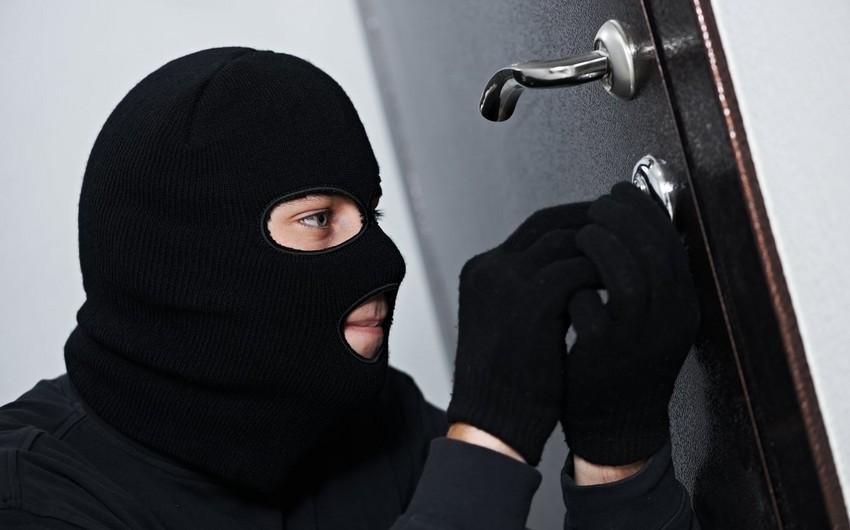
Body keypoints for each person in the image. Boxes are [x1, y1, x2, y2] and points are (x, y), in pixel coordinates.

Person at [0, 47, 700, 529]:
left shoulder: (377, 422)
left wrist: (617, 458)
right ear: (193, 260)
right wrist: (488, 438)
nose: (380, 260)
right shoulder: (31, 499)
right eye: (318, 219)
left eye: (372, 214)